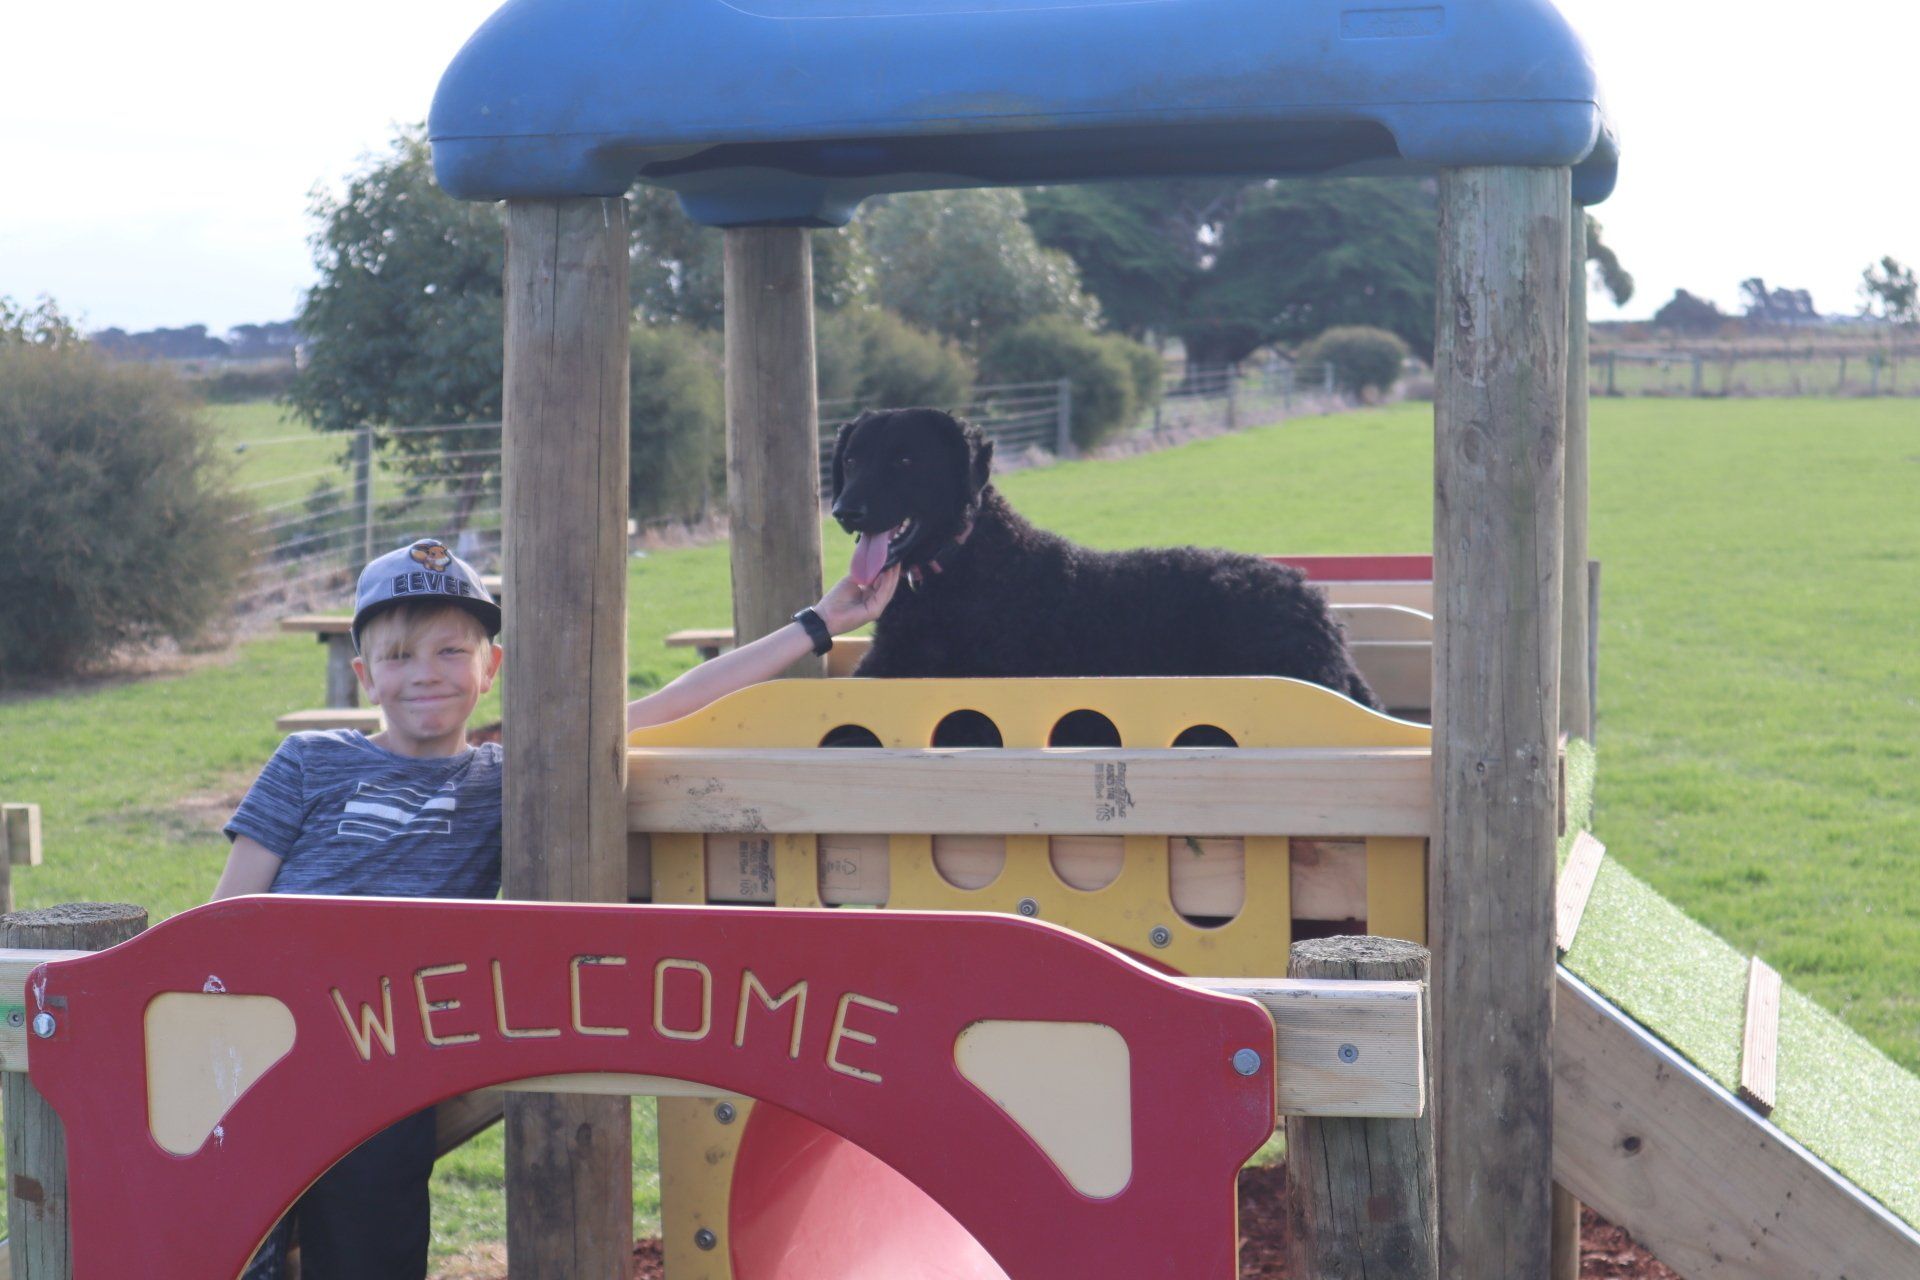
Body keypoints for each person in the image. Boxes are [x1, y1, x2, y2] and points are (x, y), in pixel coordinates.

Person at [216, 536, 897, 1280]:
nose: (426, 675)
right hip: (263, 1041)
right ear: (364, 676)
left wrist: (819, 623)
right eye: (400, 656)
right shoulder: (310, 761)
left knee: (368, 1248)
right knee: (212, 1235)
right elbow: (227, 916)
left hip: (379, 1055)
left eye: (451, 652)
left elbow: (669, 703)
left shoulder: (507, 773)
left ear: (490, 670)